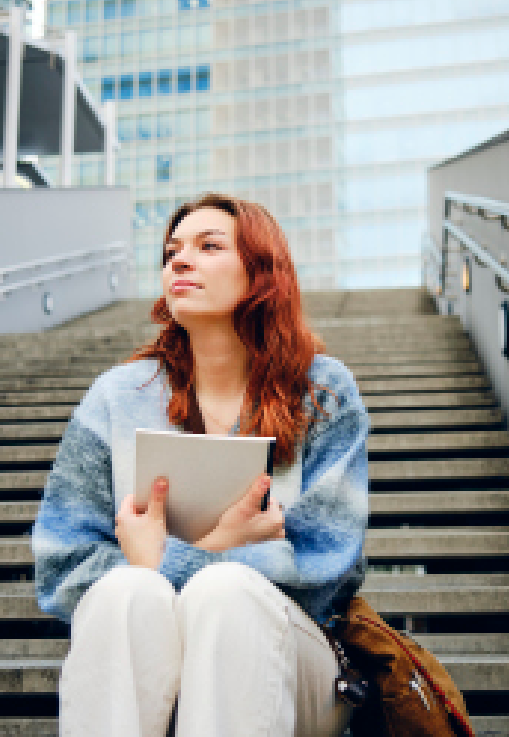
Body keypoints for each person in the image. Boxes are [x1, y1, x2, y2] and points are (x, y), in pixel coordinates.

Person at [32, 193, 369, 737]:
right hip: (146, 653)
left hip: (294, 665)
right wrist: (213, 550)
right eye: (172, 251)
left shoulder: (324, 393)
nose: (180, 261)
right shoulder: (116, 397)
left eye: (209, 247)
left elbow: (328, 568)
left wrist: (164, 558)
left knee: (227, 594)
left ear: (262, 273)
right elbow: (61, 567)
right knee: (124, 591)